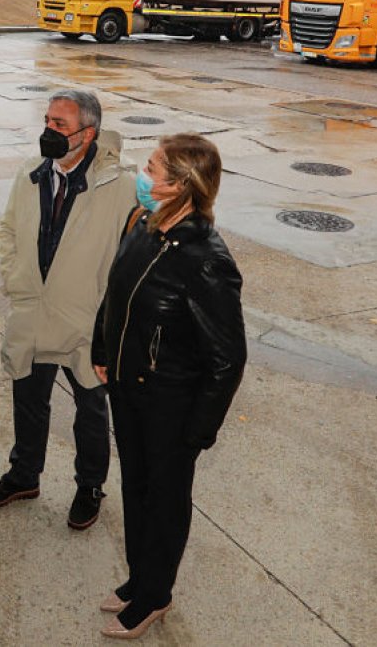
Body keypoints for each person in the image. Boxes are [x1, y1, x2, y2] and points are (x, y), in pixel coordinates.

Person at [90, 134, 247, 639]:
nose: (143, 172)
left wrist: (197, 431)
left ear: (179, 185)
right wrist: (101, 351)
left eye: (152, 167)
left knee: (165, 500)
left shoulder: (206, 259)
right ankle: (140, 578)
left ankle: (155, 595)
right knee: (135, 489)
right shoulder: (143, 223)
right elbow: (115, 294)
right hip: (129, 390)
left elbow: (227, 357)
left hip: (171, 405)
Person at [0, 90, 135, 531]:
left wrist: (107, 314)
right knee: (28, 399)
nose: (48, 130)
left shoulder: (119, 185)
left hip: (85, 320)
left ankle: (90, 486)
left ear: (89, 134)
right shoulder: (31, 172)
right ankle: (24, 476)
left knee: (91, 409)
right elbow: (8, 230)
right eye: (47, 120)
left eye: (60, 125)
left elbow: (129, 256)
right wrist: (15, 278)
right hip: (32, 311)